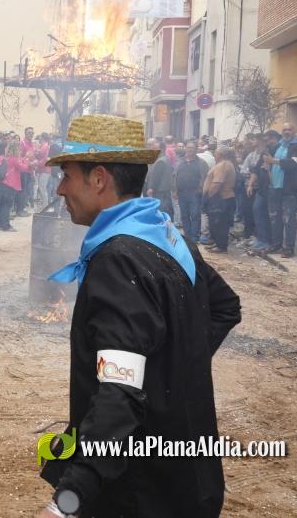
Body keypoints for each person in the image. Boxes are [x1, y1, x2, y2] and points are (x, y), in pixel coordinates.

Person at [36, 115, 241, 518]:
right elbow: (224, 307)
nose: (60, 188)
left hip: (140, 492)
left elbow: (120, 395)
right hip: (191, 479)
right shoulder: (166, 234)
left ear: (98, 179)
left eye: (67, 175)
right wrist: (169, 375)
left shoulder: (118, 260)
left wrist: (69, 501)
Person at [263, 124, 297, 258]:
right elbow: (266, 158)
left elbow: (293, 164)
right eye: (284, 130)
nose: (287, 132)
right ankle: (276, 244)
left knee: (289, 219)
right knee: (275, 218)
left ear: (295, 131)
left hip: (290, 189)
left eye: (290, 129)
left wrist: (273, 161)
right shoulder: (279, 145)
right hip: (274, 188)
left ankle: (288, 248)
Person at [203, 147, 237, 253]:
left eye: (216, 153)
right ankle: (217, 243)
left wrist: (209, 197)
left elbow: (217, 183)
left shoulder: (223, 165)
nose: (214, 155)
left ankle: (221, 246)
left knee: (220, 223)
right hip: (222, 198)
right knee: (216, 223)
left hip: (221, 198)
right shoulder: (226, 164)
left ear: (220, 154)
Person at [0, 139, 29, 232]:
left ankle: (0, 223)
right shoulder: (15, 159)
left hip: (4, 184)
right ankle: (6, 226)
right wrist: (26, 159)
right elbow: (23, 168)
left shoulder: (7, 158)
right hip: (10, 185)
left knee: (2, 205)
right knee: (7, 206)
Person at [174, 141, 208, 241]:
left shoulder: (201, 163)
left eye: (192, 148)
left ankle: (194, 237)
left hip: (194, 194)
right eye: (188, 148)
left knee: (195, 215)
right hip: (181, 193)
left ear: (196, 150)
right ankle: (187, 236)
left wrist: (200, 189)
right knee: (184, 215)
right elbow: (175, 176)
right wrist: (175, 190)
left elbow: (204, 177)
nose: (189, 150)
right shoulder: (180, 162)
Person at [143, 139, 173, 219]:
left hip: (159, 193)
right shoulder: (165, 159)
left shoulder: (160, 161)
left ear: (161, 149)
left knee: (159, 213)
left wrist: (151, 189)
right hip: (163, 192)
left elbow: (156, 177)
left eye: (155, 148)